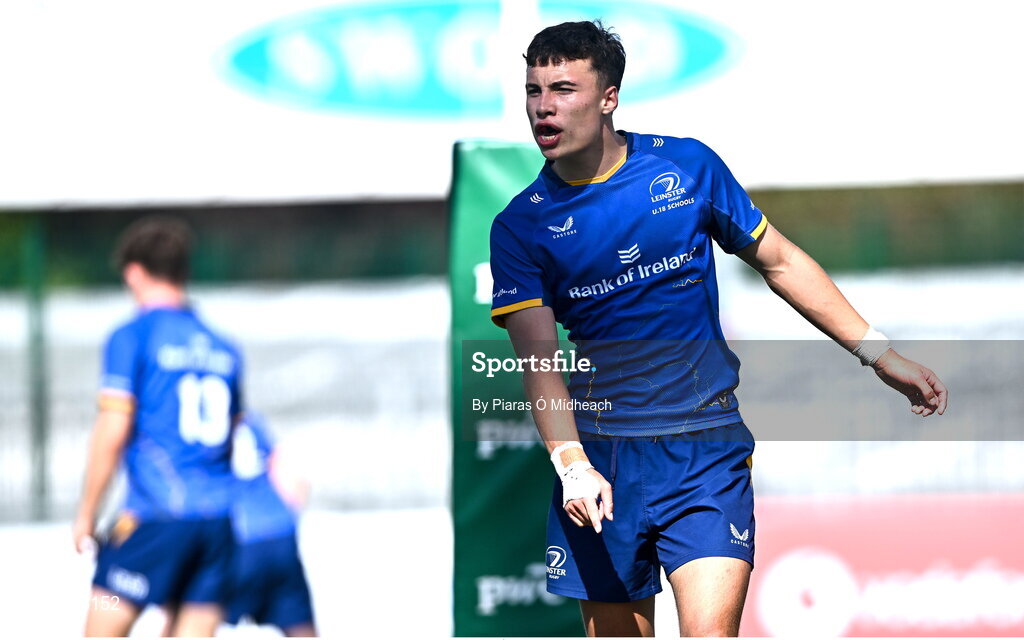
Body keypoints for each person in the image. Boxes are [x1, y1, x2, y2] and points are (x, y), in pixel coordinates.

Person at [488, 20, 948, 637]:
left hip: (705, 448)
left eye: (564, 89)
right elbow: (538, 364)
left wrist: (880, 353)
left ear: (608, 96)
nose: (544, 107)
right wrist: (572, 463)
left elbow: (779, 261)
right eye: (534, 91)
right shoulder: (520, 226)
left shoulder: (687, 167)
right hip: (602, 461)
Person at [72, 216, 244, 637]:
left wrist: (87, 512)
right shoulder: (225, 347)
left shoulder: (133, 336)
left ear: (134, 272)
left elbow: (113, 430)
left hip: (156, 519)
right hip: (216, 526)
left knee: (104, 612)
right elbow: (237, 433)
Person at [227, 411, 317, 637]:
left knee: (194, 619)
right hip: (279, 533)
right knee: (299, 626)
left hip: (238, 538)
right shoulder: (250, 421)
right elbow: (292, 479)